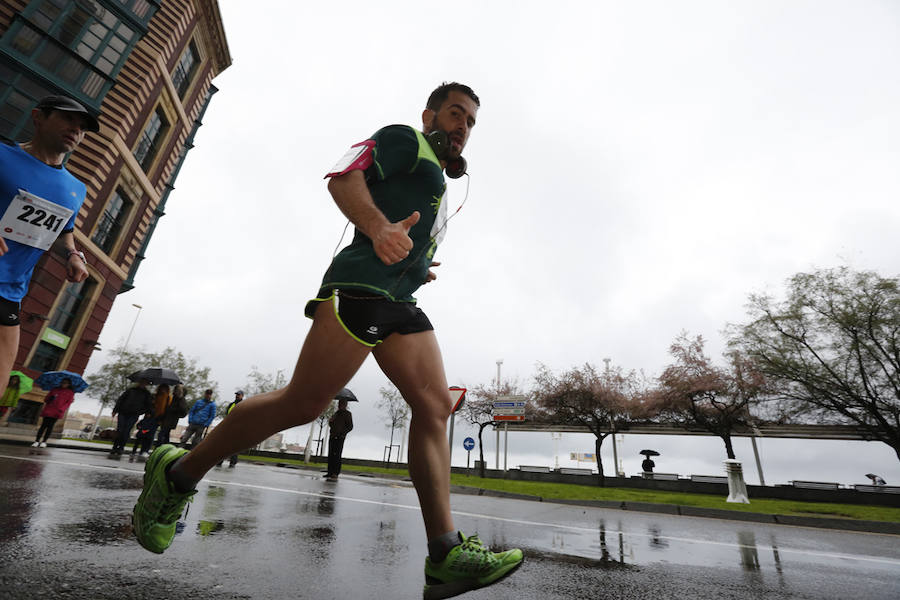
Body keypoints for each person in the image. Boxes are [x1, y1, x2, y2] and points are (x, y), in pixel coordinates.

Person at [132, 82, 523, 599]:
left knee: (434, 409)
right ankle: (177, 475)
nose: (463, 127)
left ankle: (445, 554)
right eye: (456, 114)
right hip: (359, 289)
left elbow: (400, 231)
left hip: (400, 302)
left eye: (471, 121)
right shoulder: (404, 138)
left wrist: (415, 262)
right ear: (430, 114)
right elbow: (343, 178)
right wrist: (381, 230)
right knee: (303, 405)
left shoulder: (437, 178)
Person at [0, 96, 95, 402]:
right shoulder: (2, 155)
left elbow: (62, 235)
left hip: (9, 292)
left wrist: (73, 256)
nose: (76, 130)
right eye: (68, 120)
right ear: (38, 116)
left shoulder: (75, 189)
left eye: (82, 128)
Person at [110, 379, 152, 456]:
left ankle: (121, 447)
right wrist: (115, 410)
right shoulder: (131, 390)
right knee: (120, 430)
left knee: (126, 431)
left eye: (145, 383)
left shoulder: (146, 394)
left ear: (146, 384)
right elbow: (121, 400)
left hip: (134, 414)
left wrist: (142, 412)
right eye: (141, 382)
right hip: (123, 412)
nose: (142, 384)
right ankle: (115, 447)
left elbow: (148, 405)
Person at [31, 378, 75, 447]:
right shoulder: (55, 389)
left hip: (57, 411)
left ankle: (44, 441)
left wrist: (61, 409)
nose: (63, 384)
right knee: (43, 426)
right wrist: (50, 398)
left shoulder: (70, 393)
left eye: (65, 383)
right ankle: (36, 441)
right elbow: (46, 399)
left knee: (50, 427)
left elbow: (68, 403)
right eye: (62, 382)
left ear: (69, 384)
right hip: (49, 409)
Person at [324, 398, 353, 481]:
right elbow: (331, 424)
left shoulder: (348, 414)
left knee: (337, 455)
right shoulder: (336, 413)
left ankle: (335, 473)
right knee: (331, 454)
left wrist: (342, 433)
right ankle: (330, 472)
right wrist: (330, 421)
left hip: (340, 437)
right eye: (339, 403)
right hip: (332, 436)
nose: (339, 405)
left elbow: (350, 427)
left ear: (345, 405)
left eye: (341, 404)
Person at [216, 390, 244, 467]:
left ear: (242, 396)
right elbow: (227, 415)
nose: (237, 396)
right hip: (229, 427)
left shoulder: (244, 405)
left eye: (238, 395)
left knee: (234, 446)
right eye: (236, 394)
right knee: (223, 445)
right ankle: (219, 461)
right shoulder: (231, 404)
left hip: (237, 428)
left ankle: (233, 462)